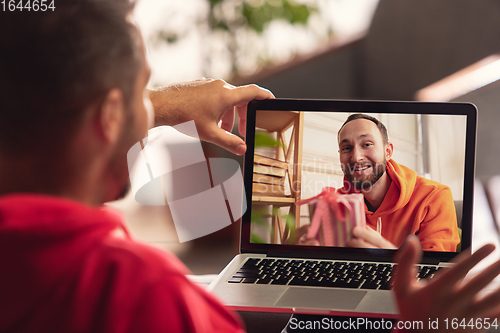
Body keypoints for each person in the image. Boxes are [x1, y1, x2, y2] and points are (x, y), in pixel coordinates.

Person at [1, 1, 499, 332]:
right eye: (142, 91)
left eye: (365, 146)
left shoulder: (431, 198)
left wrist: (159, 103)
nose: (353, 158)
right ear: (109, 116)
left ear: (387, 152)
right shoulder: (144, 294)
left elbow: (436, 273)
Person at [336, 114, 460, 252]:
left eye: (367, 144)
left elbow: (438, 272)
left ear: (387, 151)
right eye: (346, 148)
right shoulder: (336, 203)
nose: (356, 157)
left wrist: (392, 260)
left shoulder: (435, 195)